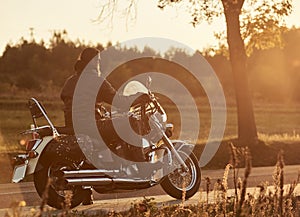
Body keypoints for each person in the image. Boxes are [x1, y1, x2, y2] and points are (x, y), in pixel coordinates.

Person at [60, 47, 148, 205]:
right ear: (93, 62)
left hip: (74, 126)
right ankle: (141, 167)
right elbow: (120, 102)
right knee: (131, 121)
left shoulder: (70, 81)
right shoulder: (94, 79)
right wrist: (139, 96)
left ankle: (86, 192)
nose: (99, 64)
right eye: (98, 61)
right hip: (90, 126)